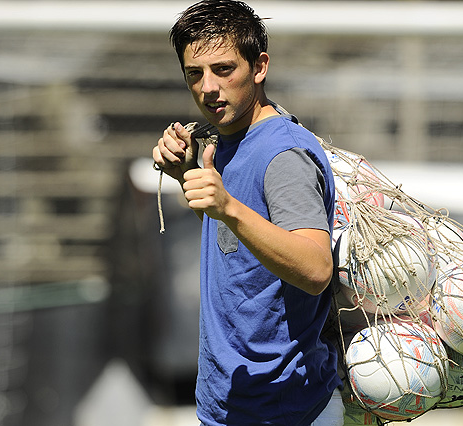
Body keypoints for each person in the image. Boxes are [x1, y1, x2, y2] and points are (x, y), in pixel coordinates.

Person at [152, 1, 343, 424]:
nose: (208, 87)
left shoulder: (283, 154)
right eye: (194, 74)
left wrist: (229, 207)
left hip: (285, 409)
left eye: (224, 69)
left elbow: (315, 270)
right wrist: (187, 173)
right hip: (230, 404)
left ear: (260, 67)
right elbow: (238, 245)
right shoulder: (224, 141)